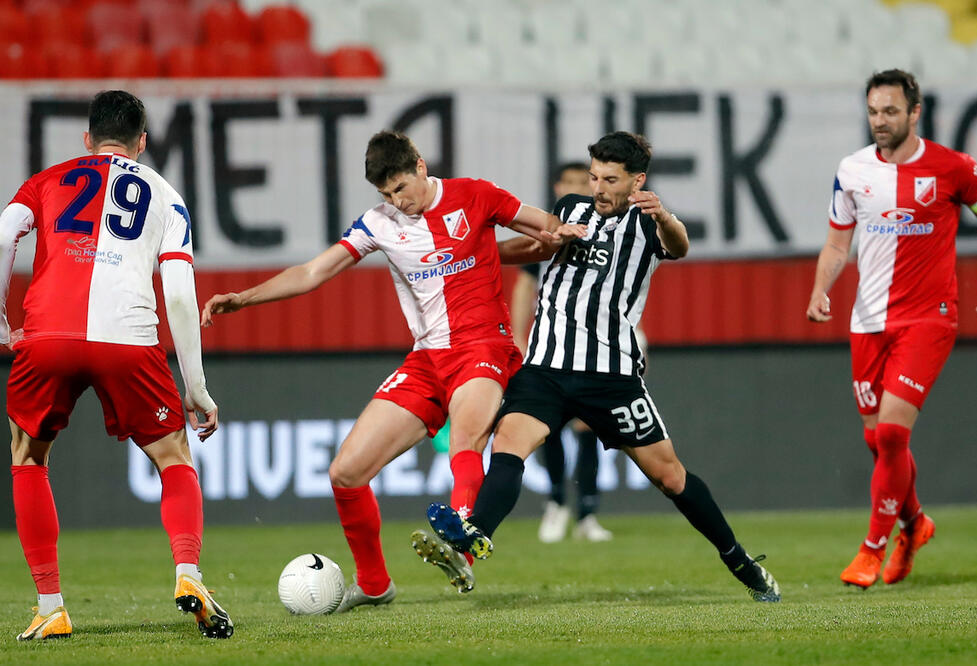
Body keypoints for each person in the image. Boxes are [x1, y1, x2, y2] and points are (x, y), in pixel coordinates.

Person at [201, 130, 581, 608]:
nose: (397, 201)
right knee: (346, 472)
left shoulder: (475, 195)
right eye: (385, 194)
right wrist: (245, 298)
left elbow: (543, 226)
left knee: (466, 439)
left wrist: (559, 231)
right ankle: (376, 584)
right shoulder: (378, 224)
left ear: (421, 166)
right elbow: (313, 272)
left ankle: (461, 536)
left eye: (401, 188)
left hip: (483, 346)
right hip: (426, 360)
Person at [417, 131, 781, 603]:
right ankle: (471, 540)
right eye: (594, 176)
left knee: (670, 477)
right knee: (508, 446)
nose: (599, 187)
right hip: (546, 367)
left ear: (637, 181)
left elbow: (681, 245)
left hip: (611, 376)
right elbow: (526, 249)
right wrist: (470, 256)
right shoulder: (569, 208)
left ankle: (739, 560)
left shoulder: (650, 222)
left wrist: (665, 215)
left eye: (610, 179)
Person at [0, 91, 229, 640]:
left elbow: (4, 236)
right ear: (142, 142)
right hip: (128, 338)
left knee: (28, 456)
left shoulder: (46, 180)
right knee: (173, 455)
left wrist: (3, 323)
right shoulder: (167, 196)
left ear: (87, 138)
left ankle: (51, 605)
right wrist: (195, 388)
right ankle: (188, 572)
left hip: (49, 332)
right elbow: (178, 291)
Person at [806, 69, 977, 588]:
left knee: (892, 432)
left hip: (929, 317)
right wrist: (820, 288)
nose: (880, 121)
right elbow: (837, 244)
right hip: (868, 321)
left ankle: (872, 549)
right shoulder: (852, 170)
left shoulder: (953, 167)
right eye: (873, 112)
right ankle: (915, 525)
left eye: (891, 111)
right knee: (878, 443)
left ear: (915, 113)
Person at [510, 161, 612, 543]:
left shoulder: (611, 231)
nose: (575, 188)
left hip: (596, 346)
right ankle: (556, 503)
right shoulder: (551, 233)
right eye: (568, 182)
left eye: (580, 182)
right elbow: (525, 286)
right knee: (548, 425)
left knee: (589, 428)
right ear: (557, 187)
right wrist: (519, 337)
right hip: (551, 346)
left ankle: (587, 513)